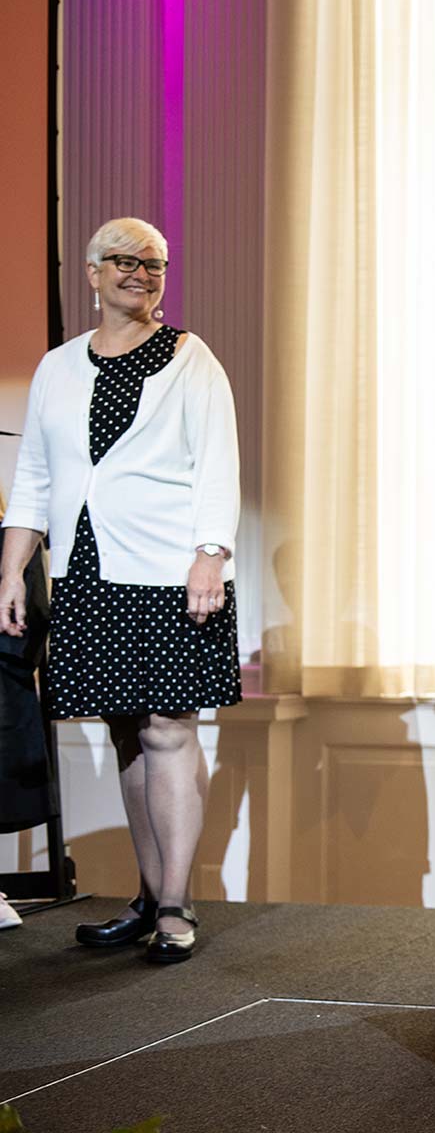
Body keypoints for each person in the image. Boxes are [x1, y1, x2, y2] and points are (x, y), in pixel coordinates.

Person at [0, 217, 240, 964]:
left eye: (156, 263)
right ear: (94, 273)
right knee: (126, 732)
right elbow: (35, 477)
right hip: (87, 571)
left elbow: (217, 465)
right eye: (126, 261)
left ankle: (175, 904)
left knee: (169, 729)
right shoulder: (59, 368)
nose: (141, 273)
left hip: (170, 569)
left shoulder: (188, 359)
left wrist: (211, 557)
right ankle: (146, 895)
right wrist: (13, 566)